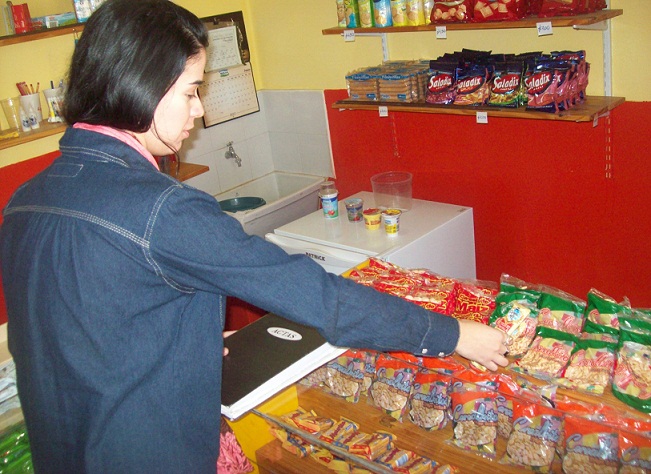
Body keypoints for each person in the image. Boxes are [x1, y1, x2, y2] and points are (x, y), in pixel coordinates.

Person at [0, 0, 508, 472]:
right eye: (190, 90)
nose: (198, 109)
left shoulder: (25, 199)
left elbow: (77, 330)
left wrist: (182, 338)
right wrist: (453, 334)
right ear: (140, 86)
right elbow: (314, 293)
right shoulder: (163, 210)